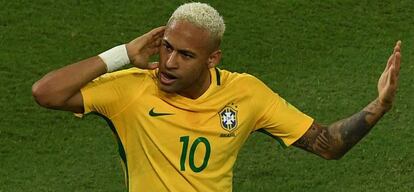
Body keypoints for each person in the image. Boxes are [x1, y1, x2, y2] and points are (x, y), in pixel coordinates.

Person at [31, 2, 402, 192]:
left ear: (213, 59)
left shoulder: (246, 94)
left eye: (185, 55)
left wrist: (380, 105)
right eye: (166, 48)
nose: (169, 63)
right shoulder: (131, 88)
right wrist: (122, 54)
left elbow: (328, 145)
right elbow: (45, 93)